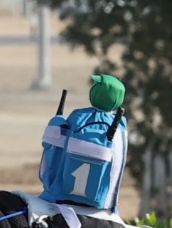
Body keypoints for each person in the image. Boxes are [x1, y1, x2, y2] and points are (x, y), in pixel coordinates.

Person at [36, 72, 128, 216]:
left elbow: (54, 150)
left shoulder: (78, 115)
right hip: (103, 204)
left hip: (58, 197)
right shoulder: (121, 126)